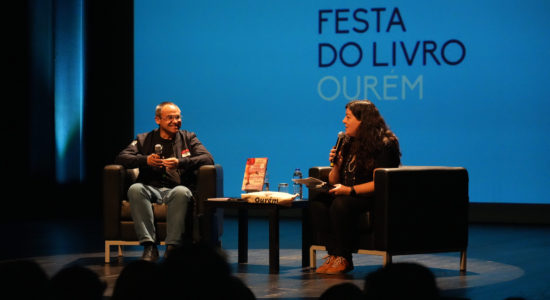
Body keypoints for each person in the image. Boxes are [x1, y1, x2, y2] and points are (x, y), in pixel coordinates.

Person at [115, 101, 214, 261]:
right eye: (170, 118)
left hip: (176, 189)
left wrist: (180, 162)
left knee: (182, 192)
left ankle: (172, 248)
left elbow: (208, 158)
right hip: (150, 188)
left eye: (178, 117)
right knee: (135, 189)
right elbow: (121, 157)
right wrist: (145, 160)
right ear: (158, 120)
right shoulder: (144, 139)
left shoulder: (189, 138)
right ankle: (149, 246)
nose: (176, 121)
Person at [311, 100, 401, 274]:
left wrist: (350, 190)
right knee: (318, 202)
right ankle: (334, 255)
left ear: (363, 121)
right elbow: (334, 178)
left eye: (348, 117)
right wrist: (337, 164)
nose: (344, 121)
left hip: (372, 198)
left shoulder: (385, 144)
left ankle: (344, 258)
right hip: (348, 194)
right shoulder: (348, 142)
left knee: (341, 204)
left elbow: (380, 182)